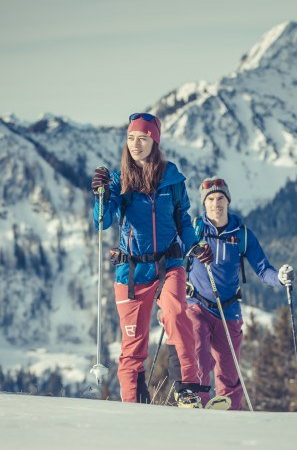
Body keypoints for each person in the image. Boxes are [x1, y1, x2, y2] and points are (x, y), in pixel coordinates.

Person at [91, 112, 212, 408]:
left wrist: (194, 246)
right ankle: (132, 401)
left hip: (169, 263)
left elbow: (182, 219)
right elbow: (102, 222)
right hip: (132, 271)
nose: (136, 144)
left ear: (154, 141)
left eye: (142, 138)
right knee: (133, 341)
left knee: (175, 312)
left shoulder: (172, 178)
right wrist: (102, 196)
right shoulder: (120, 181)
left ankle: (186, 388)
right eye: (131, 138)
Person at [185, 177, 294, 410]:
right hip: (197, 305)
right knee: (200, 357)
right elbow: (174, 257)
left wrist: (280, 278)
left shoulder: (242, 234)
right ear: (204, 204)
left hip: (229, 309)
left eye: (221, 198)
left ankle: (232, 417)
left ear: (228, 201)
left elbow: (263, 270)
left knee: (229, 371)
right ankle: (198, 408)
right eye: (211, 199)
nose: (216, 204)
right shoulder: (193, 230)